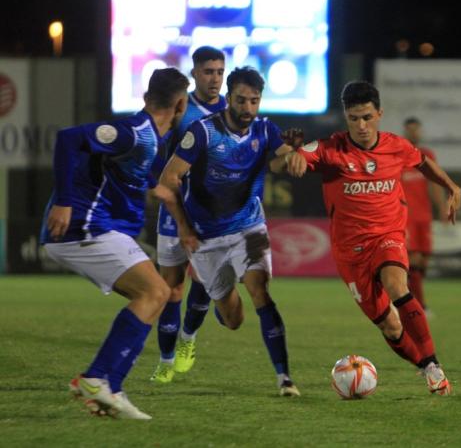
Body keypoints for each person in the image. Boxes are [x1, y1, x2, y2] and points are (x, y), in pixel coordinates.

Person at [272, 81, 461, 395]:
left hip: (387, 236)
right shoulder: (330, 149)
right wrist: (291, 158)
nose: (361, 125)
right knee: (390, 325)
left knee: (397, 284)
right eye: (354, 118)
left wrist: (450, 186)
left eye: (367, 117)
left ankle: (433, 367)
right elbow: (292, 161)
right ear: (346, 117)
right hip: (350, 251)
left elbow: (423, 163)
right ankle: (423, 364)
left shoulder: (396, 146)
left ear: (379, 114)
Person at [40, 68, 190, 419]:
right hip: (84, 227)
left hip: (105, 231)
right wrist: (63, 200)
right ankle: (95, 378)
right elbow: (67, 139)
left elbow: (159, 186)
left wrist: (188, 220)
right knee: (154, 293)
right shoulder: (132, 133)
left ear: (146, 97)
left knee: (156, 297)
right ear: (181, 103)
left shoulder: (154, 139)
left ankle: (110, 388)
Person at [156, 66, 301, 397]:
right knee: (233, 319)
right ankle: (212, 309)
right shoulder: (203, 132)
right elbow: (169, 178)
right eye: (241, 100)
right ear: (228, 98)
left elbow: (278, 160)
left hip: (249, 227)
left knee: (260, 290)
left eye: (254, 101)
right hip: (207, 237)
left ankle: (285, 379)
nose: (248, 108)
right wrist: (183, 224)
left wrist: (291, 157)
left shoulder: (265, 130)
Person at [150, 46, 235, 384]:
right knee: (171, 289)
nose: (214, 78)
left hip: (211, 214)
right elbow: (158, 147)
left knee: (203, 281)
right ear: (195, 74)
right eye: (208, 72)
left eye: (219, 71)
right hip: (175, 211)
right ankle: (166, 360)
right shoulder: (181, 109)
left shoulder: (233, 110)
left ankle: (188, 339)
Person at [400, 117, 446, 313]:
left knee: (422, 263)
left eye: (416, 130)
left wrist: (443, 208)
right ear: (405, 131)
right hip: (405, 217)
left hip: (424, 217)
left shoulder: (427, 155)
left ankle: (408, 302)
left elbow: (435, 184)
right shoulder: (398, 156)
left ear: (420, 131)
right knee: (414, 261)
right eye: (409, 130)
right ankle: (420, 307)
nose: (413, 133)